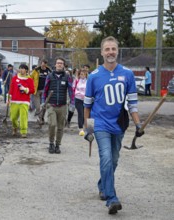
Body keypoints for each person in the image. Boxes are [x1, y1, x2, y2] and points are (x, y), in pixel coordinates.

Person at [83, 36, 144, 215]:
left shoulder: (127, 74)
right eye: (107, 49)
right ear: (102, 52)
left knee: (114, 160)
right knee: (107, 158)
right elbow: (87, 106)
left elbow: (132, 104)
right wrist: (88, 129)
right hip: (100, 124)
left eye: (113, 49)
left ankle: (102, 185)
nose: (110, 52)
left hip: (119, 124)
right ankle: (112, 198)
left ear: (118, 51)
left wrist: (138, 124)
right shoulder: (93, 77)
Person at [43, 57, 73, 154]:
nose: (59, 64)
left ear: (64, 65)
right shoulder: (49, 76)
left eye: (61, 63)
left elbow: (71, 90)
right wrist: (44, 101)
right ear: (55, 65)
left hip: (62, 106)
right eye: (58, 63)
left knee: (60, 127)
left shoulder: (67, 77)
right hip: (51, 105)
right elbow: (45, 90)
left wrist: (72, 102)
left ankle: (57, 145)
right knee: (52, 124)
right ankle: (51, 143)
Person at [8, 63, 35, 138]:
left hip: (24, 101)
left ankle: (23, 131)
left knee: (23, 117)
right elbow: (11, 88)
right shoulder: (14, 78)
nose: (21, 70)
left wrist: (25, 89)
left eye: (23, 68)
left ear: (26, 70)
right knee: (13, 117)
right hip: (14, 100)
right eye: (20, 68)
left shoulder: (29, 80)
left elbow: (33, 90)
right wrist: (9, 98)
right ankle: (15, 127)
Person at [72, 68, 88, 136]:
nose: (82, 75)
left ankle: (86, 127)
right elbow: (73, 88)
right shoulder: (76, 80)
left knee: (86, 114)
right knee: (80, 113)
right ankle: (80, 128)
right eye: (81, 74)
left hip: (86, 99)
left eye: (84, 74)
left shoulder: (88, 81)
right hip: (78, 99)